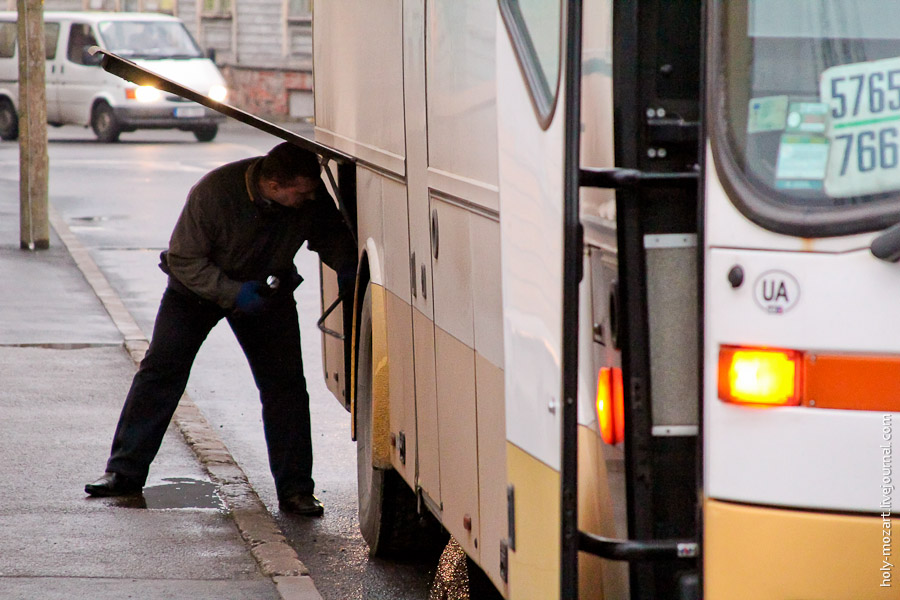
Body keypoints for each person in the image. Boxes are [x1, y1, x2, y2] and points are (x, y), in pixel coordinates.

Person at [85, 142, 356, 517]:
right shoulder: (214, 194)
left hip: (265, 291)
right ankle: (123, 472)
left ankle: (296, 491)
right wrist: (233, 294)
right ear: (274, 185)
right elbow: (183, 258)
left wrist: (347, 265)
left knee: (286, 387)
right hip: (194, 292)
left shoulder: (308, 197)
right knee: (161, 372)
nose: (311, 198)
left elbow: (330, 235)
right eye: (303, 192)